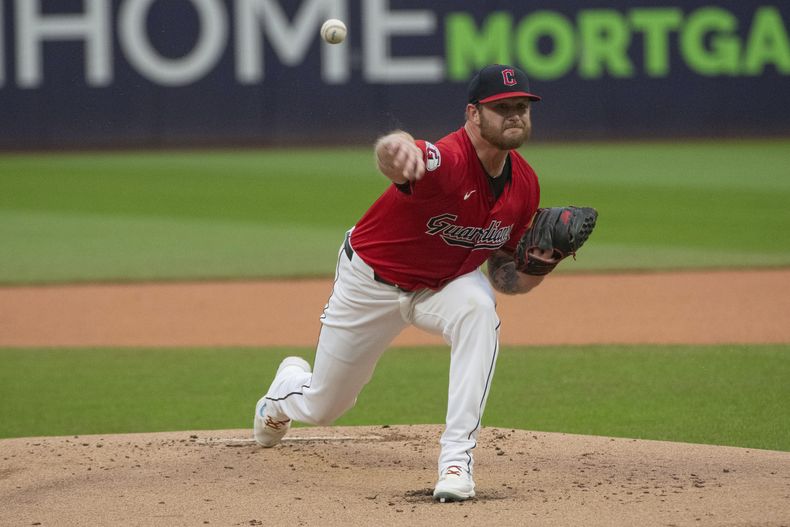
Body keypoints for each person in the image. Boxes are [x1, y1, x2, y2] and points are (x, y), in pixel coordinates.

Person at [254, 64, 553, 502]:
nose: (514, 115)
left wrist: (542, 264)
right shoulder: (447, 160)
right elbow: (400, 155)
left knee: (479, 309)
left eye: (522, 106)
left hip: (443, 285)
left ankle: (456, 459)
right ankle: (282, 394)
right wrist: (394, 147)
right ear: (473, 114)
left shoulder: (525, 185)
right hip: (371, 284)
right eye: (501, 107)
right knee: (324, 407)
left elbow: (506, 278)